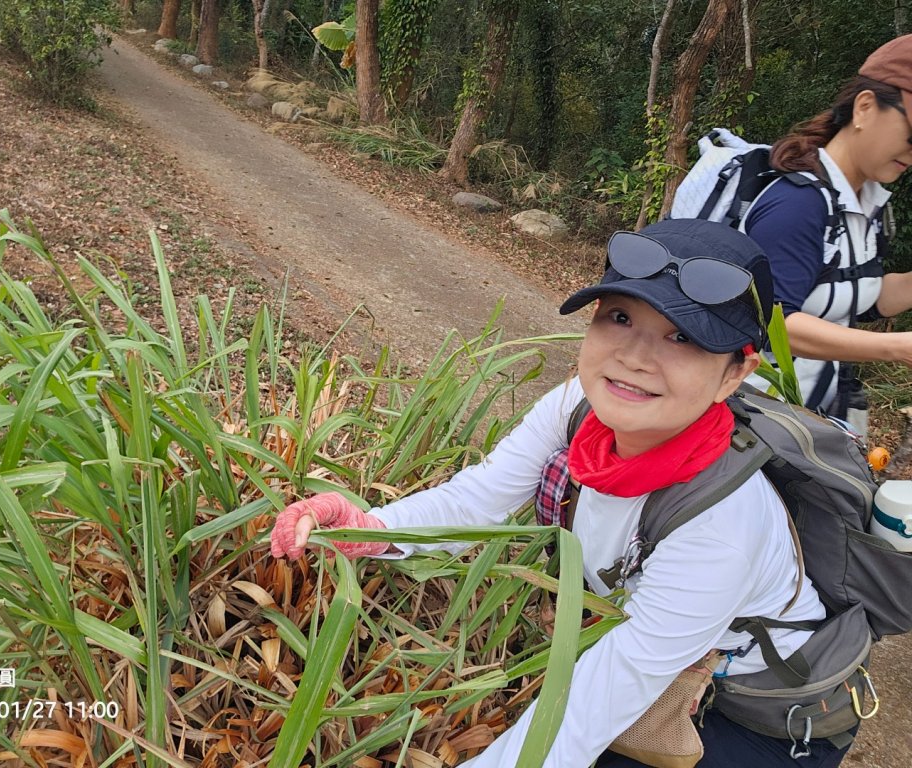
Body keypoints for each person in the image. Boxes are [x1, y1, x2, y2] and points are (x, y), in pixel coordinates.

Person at [270, 218, 853, 768]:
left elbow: (588, 707)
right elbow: (478, 499)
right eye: (620, 318)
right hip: (661, 669)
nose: (633, 357)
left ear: (735, 373)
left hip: (761, 716)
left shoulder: (722, 527)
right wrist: (368, 529)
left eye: (682, 337)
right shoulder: (581, 404)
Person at [742, 33, 912, 434]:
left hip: (813, 421)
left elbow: (857, 298)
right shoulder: (797, 203)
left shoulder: (865, 202)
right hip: (756, 427)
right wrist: (897, 348)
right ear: (866, 107)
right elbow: (771, 321)